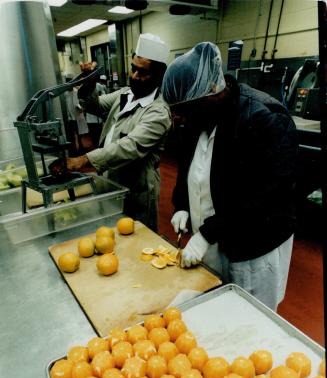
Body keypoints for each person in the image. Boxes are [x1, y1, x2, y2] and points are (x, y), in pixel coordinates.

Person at [162, 42, 298, 311]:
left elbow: (265, 197)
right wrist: (182, 206)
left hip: (253, 248)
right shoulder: (199, 118)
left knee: (251, 314)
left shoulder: (264, 119)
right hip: (214, 239)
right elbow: (189, 167)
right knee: (217, 305)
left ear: (212, 90)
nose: (180, 118)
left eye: (184, 109)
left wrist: (207, 233)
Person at [67, 33, 171, 231]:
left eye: (143, 72)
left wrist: (83, 159)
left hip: (136, 192)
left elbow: (128, 147)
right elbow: (94, 105)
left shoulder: (158, 111)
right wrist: (89, 84)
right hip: (111, 181)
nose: (134, 76)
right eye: (133, 69)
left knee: (138, 240)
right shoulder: (125, 94)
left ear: (158, 76)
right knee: (110, 234)